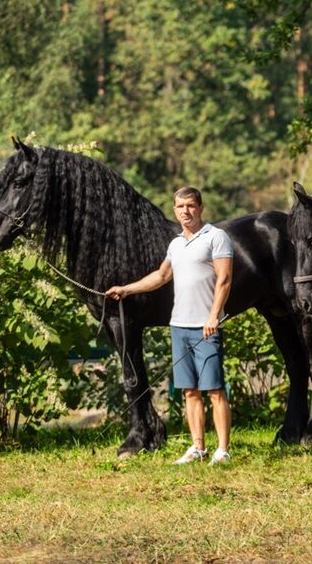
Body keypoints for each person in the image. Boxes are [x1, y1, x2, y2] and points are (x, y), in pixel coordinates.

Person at [106, 186, 234, 466]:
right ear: (175, 210)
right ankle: (198, 447)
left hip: (206, 327)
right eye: (180, 207)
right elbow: (161, 276)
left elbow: (224, 280)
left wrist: (214, 316)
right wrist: (126, 289)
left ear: (200, 207)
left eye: (190, 206)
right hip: (179, 326)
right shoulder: (176, 244)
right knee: (189, 391)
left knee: (214, 390)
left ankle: (222, 450)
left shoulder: (216, 237)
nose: (185, 211)